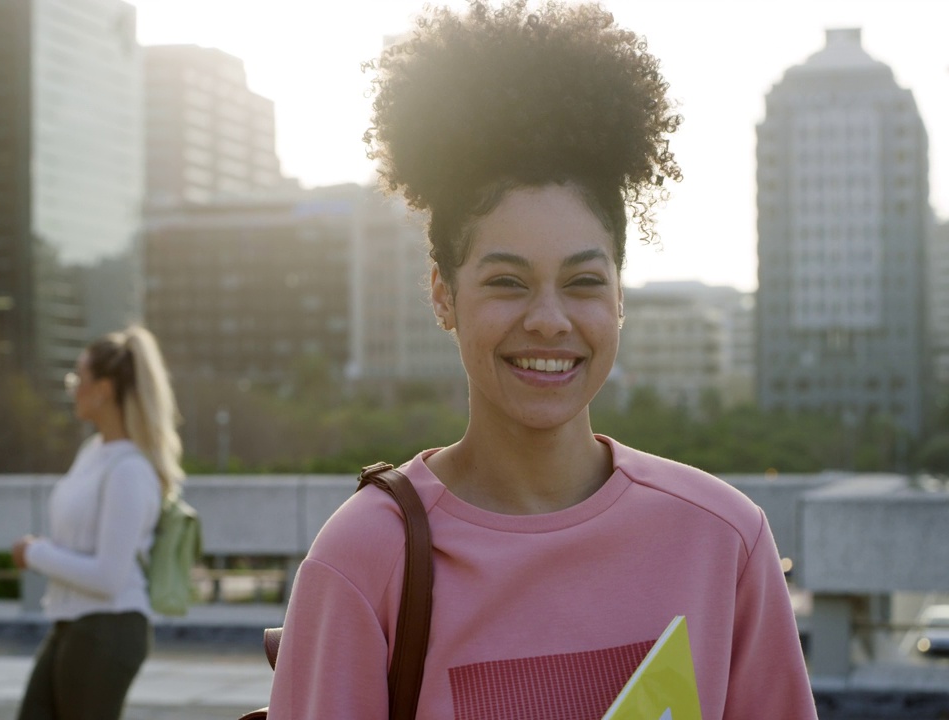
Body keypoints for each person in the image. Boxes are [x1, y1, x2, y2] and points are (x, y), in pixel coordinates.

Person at [268, 2, 817, 718]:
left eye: (584, 281)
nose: (549, 321)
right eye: (506, 282)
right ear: (443, 295)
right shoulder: (365, 558)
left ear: (620, 296)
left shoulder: (724, 541)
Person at [12, 325, 184, 720]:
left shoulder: (130, 471)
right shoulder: (93, 452)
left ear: (104, 389)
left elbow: (108, 577)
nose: (72, 387)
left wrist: (34, 553)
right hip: (73, 623)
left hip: (109, 629)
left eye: (79, 378)